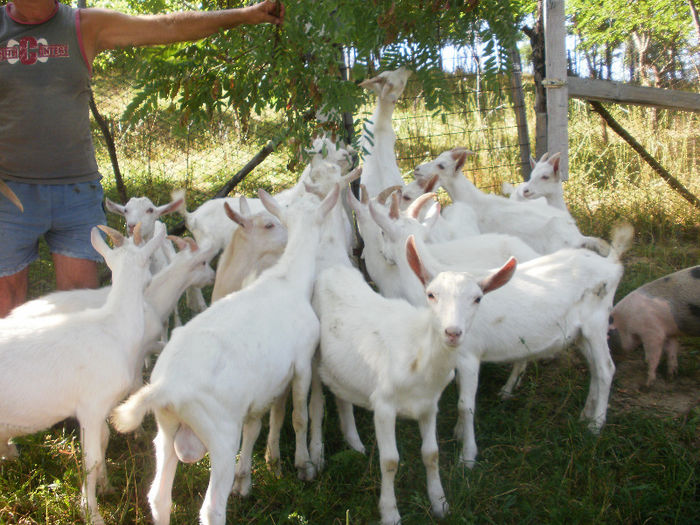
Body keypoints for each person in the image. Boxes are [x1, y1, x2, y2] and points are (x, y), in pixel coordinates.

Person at [0, 0, 284, 317]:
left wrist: (245, 15)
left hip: (75, 194)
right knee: (5, 313)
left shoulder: (83, 26)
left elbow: (165, 26)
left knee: (80, 312)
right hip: (9, 193)